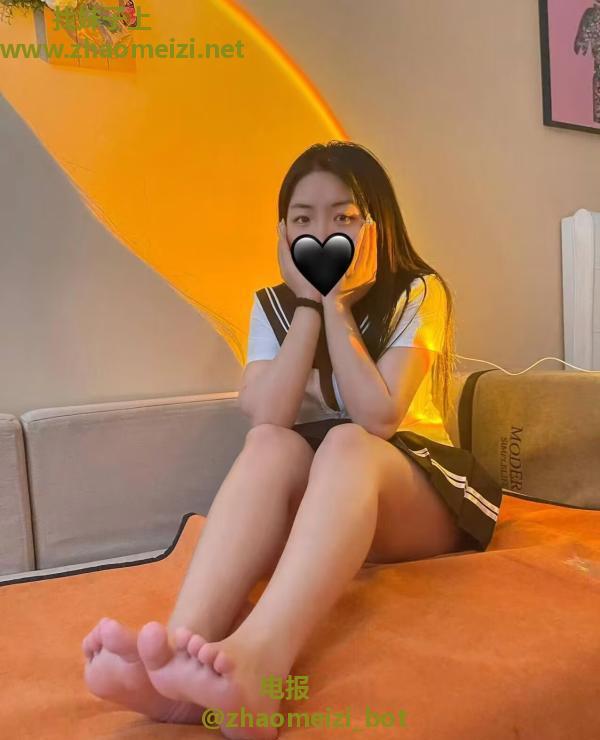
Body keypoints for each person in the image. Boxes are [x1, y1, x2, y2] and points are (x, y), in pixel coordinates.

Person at [81, 140, 503, 738]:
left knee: (348, 441)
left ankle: (261, 664)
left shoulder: (416, 291)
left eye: (343, 217)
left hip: (420, 492)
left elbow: (379, 417)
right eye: (303, 219)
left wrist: (339, 308)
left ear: (376, 225)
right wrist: (307, 306)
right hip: (333, 499)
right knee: (269, 445)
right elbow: (269, 416)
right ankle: (179, 658)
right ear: (283, 233)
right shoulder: (272, 307)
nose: (322, 234)